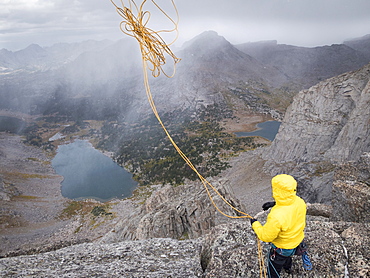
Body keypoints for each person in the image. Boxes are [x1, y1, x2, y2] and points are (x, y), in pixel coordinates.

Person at [250, 174, 307, 277]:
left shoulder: (276, 216)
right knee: (287, 257)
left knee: (275, 265)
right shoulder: (300, 202)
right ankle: (288, 269)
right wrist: (275, 203)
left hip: (282, 247)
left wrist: (255, 224)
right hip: (297, 241)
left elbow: (266, 237)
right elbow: (289, 207)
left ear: (277, 191)